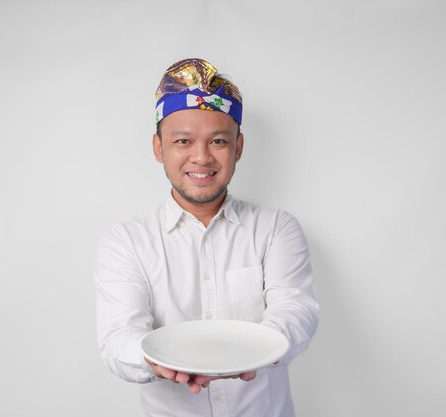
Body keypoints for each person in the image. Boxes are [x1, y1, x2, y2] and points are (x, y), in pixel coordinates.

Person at [94, 58, 319, 417]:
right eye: (183, 141)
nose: (201, 157)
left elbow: (296, 310)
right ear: (158, 148)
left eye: (218, 141)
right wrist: (155, 361)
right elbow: (119, 336)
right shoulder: (127, 241)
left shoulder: (276, 228)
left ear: (238, 148)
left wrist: (261, 349)